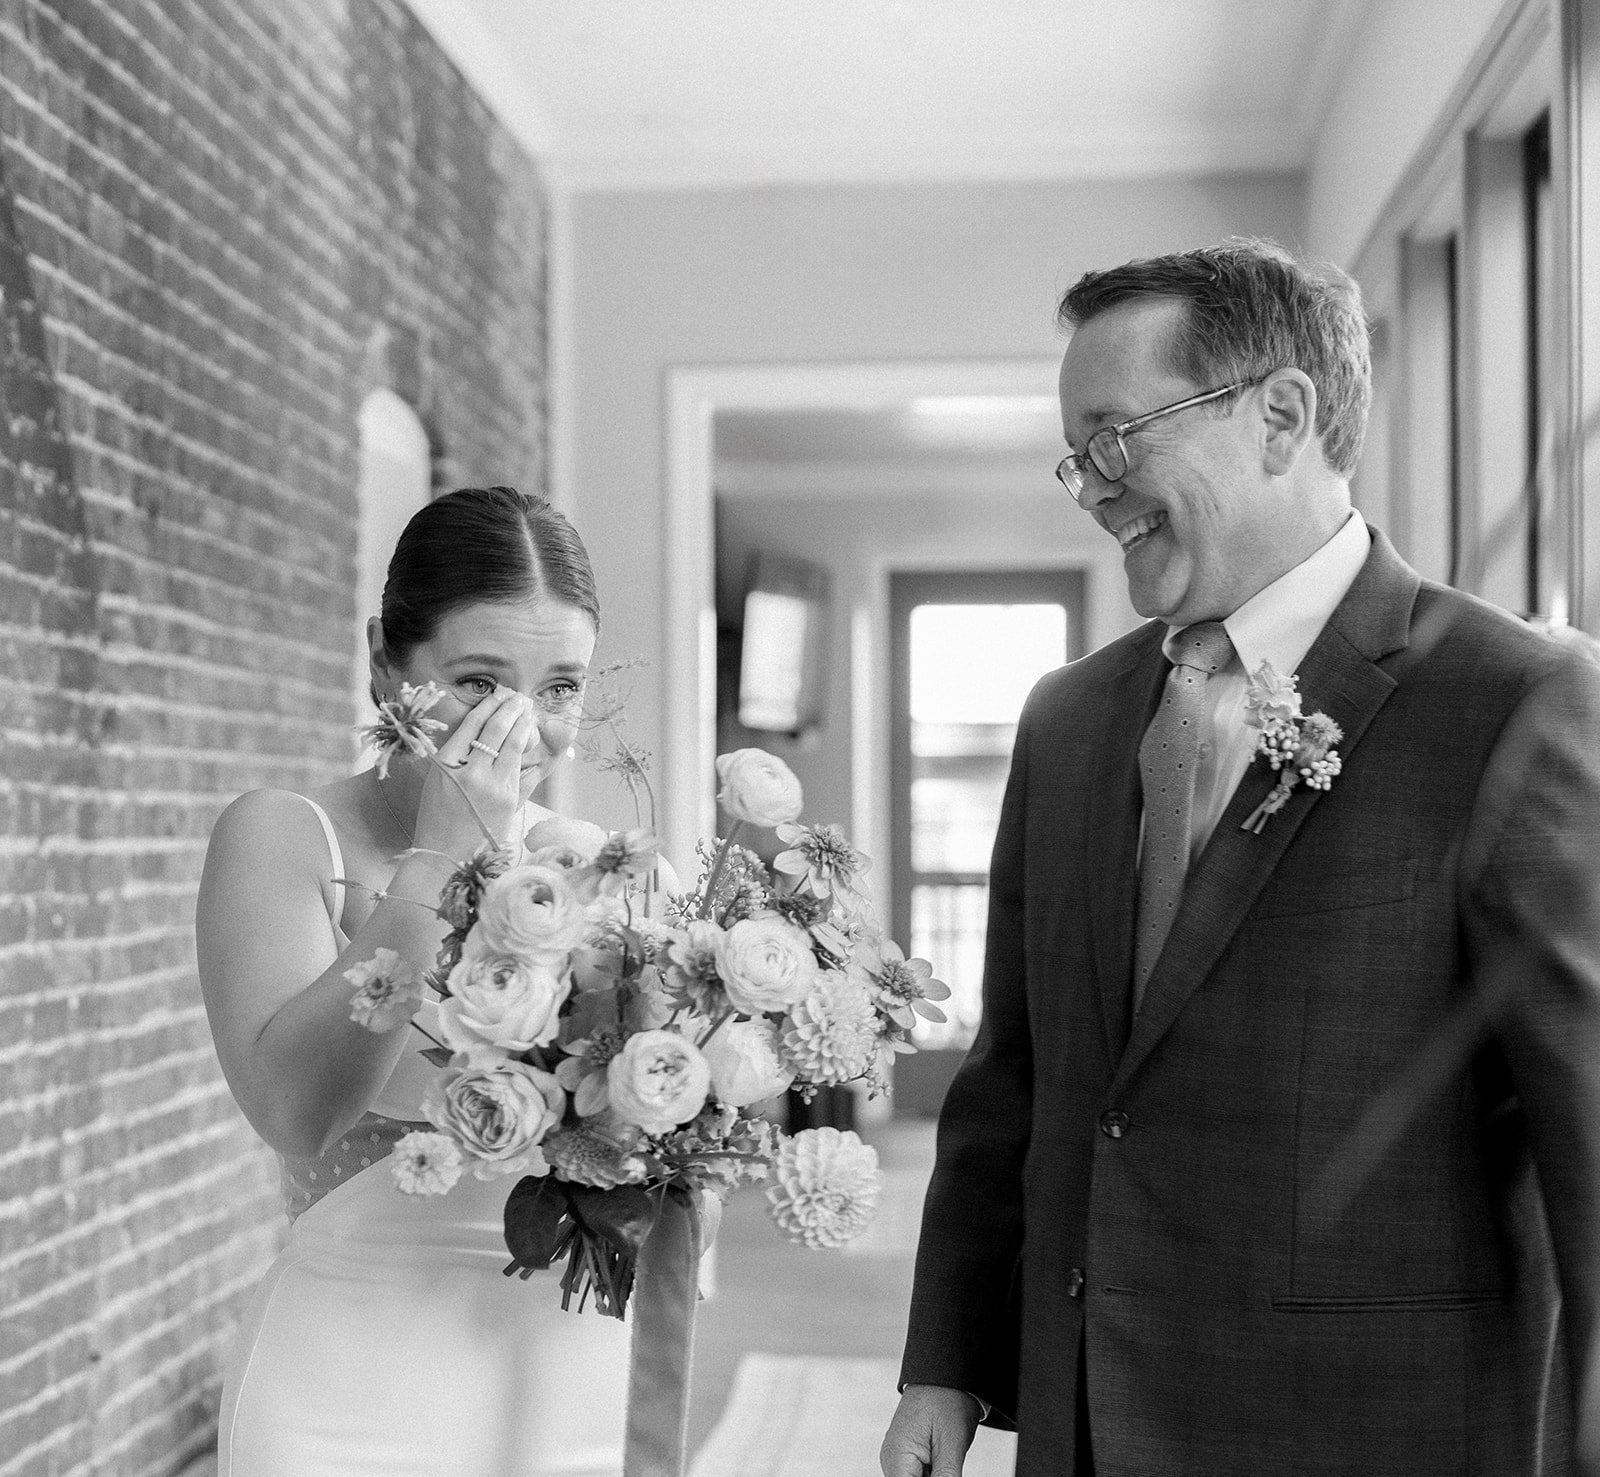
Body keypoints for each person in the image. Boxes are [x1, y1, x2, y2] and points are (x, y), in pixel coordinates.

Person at [881, 240, 1600, 1476]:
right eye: (1076, 455)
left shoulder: (1517, 701)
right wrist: (944, 1362)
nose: (1093, 488)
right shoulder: (1066, 720)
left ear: (1280, 416)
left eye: (1115, 437)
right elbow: (1017, 1080)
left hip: (1379, 1428)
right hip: (1084, 1421)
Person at [197, 485, 630, 1477]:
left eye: (560, 687)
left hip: (556, 1365)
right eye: (480, 681)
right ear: (384, 662)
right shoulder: (281, 834)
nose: (522, 728)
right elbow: (297, 1111)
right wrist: (434, 864)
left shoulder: (589, 861)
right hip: (345, 1374)